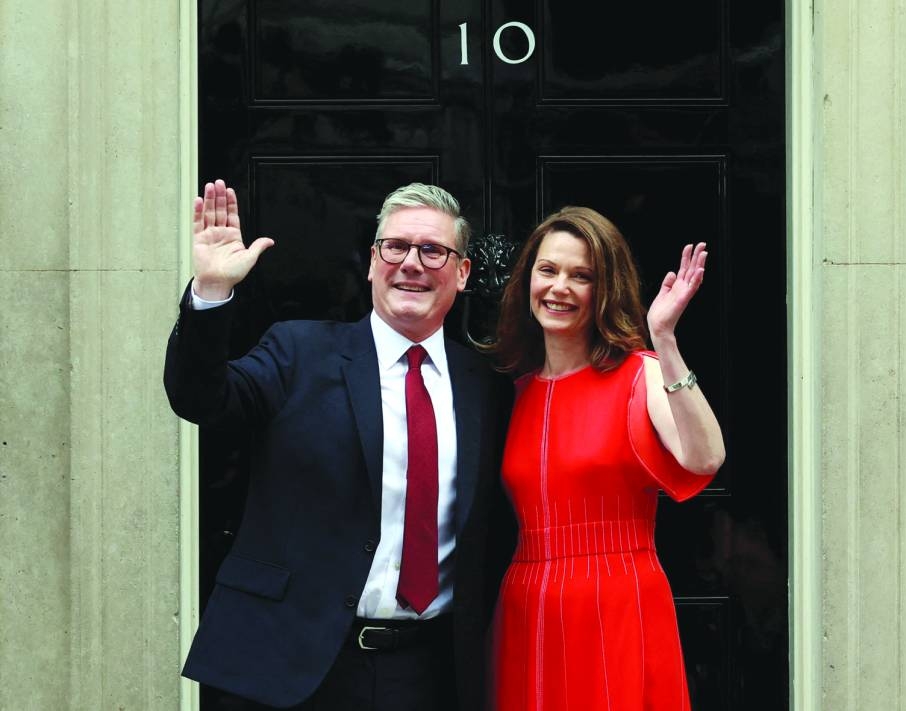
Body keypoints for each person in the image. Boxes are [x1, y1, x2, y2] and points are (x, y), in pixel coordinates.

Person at [164, 179, 512, 710]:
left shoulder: (487, 384)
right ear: (372, 262)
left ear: (462, 273)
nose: (411, 264)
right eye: (395, 247)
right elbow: (201, 400)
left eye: (433, 250)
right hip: (288, 663)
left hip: (428, 672)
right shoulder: (297, 350)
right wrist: (211, 293)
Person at [487, 206, 725, 710]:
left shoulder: (639, 374)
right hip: (526, 603)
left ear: (604, 290)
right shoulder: (511, 391)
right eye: (548, 270)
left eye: (582, 276)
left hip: (617, 597)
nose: (559, 288)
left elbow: (705, 457)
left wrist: (664, 338)